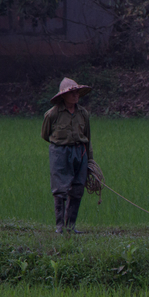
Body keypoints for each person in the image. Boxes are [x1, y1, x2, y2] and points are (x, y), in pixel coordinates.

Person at [42, 77, 93, 233]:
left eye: (77, 92)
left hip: (80, 152)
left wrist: (90, 159)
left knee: (78, 188)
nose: (75, 96)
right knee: (60, 190)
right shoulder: (52, 114)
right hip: (60, 152)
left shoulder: (83, 113)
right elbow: (45, 135)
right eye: (71, 93)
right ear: (63, 96)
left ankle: (71, 226)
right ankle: (60, 227)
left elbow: (88, 137)